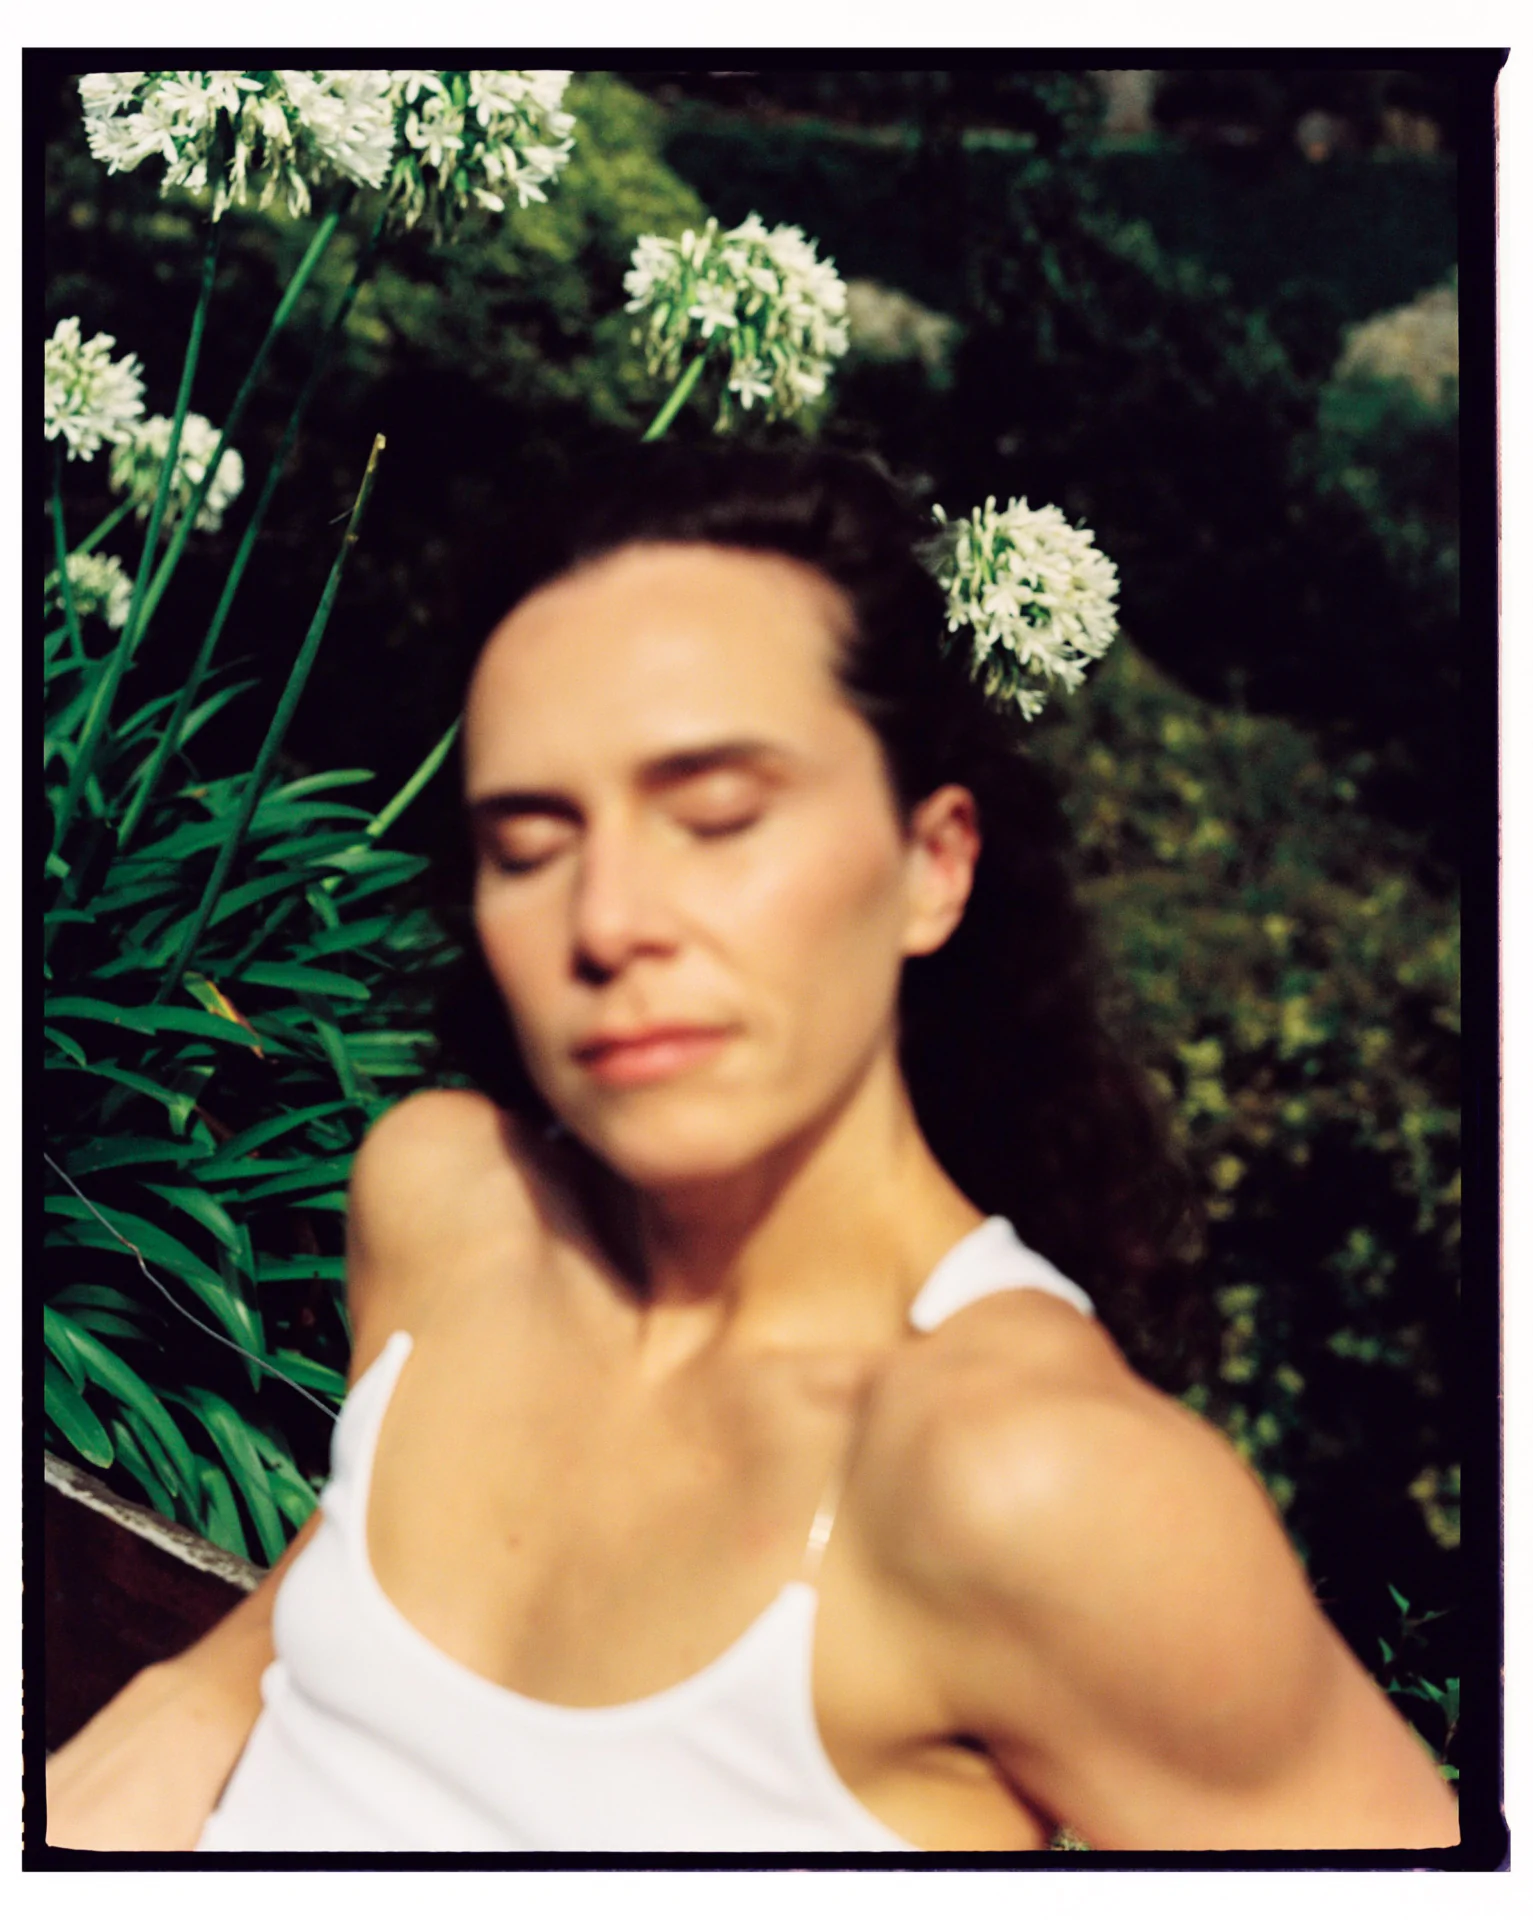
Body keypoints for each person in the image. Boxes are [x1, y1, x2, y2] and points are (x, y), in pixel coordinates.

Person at [45, 447, 1458, 1853]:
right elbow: (261, 1672)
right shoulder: (448, 1202)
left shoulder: (1035, 1482)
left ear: (933, 862)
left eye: (718, 818)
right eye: (530, 843)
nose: (610, 919)